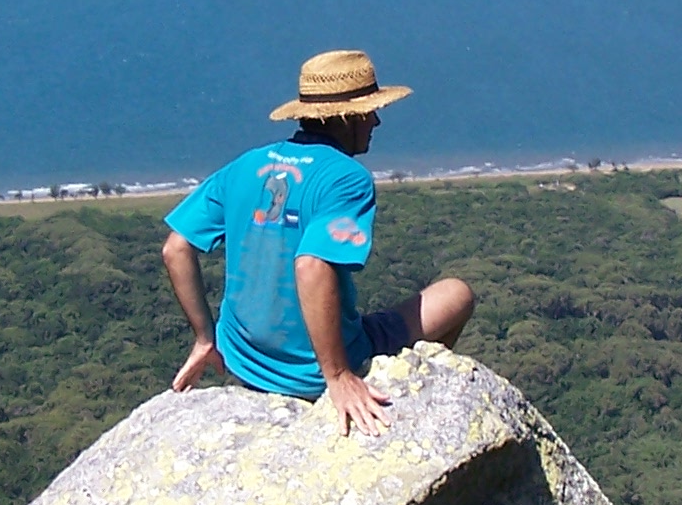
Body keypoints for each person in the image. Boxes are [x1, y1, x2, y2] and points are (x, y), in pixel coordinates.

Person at [161, 49, 475, 435]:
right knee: (457, 294)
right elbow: (310, 265)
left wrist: (205, 339)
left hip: (244, 361)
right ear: (347, 118)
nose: (375, 121)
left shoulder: (244, 166)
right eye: (369, 112)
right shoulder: (346, 177)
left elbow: (176, 247)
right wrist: (338, 375)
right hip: (310, 373)